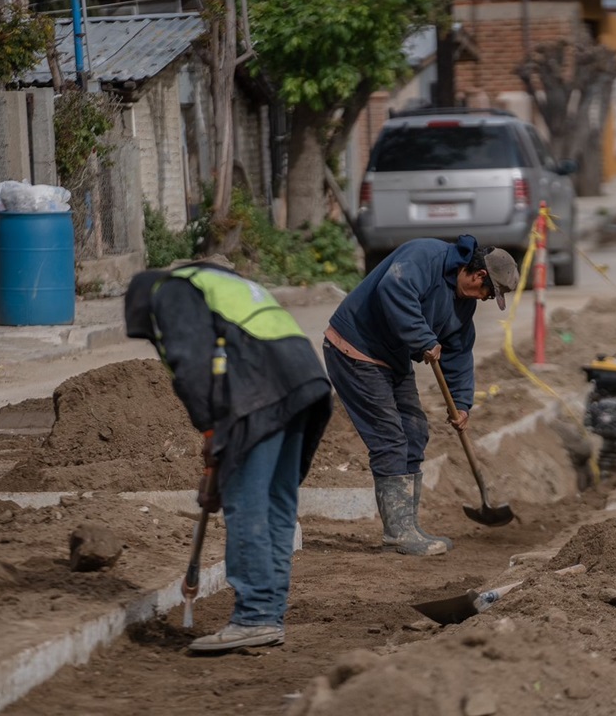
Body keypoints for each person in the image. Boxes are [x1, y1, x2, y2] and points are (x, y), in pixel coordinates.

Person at [124, 261, 332, 653]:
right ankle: (268, 616)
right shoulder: (212, 283)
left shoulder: (169, 293)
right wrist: (216, 446)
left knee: (248, 504)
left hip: (260, 391)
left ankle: (254, 617)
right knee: (276, 503)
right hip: (303, 381)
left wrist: (212, 436)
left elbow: (192, 369)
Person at [323, 235, 520, 556]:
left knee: (414, 430)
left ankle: (408, 526)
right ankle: (398, 534)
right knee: (389, 439)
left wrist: (461, 403)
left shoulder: (461, 303)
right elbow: (394, 290)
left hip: (391, 357)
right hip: (354, 348)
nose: (484, 300)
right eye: (488, 293)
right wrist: (422, 337)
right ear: (479, 276)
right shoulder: (425, 255)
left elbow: (458, 352)